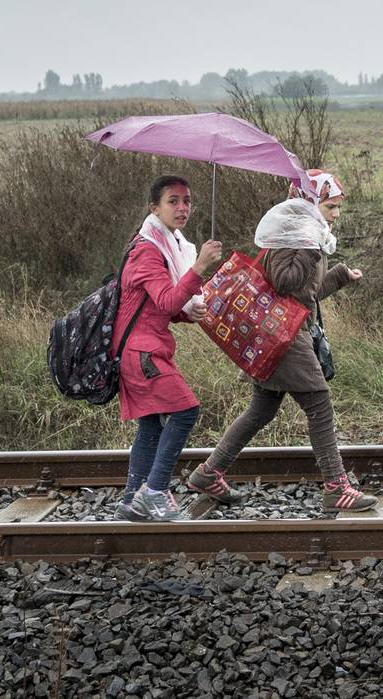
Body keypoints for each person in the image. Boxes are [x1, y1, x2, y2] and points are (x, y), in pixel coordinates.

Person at [186, 169, 377, 514]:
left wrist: (340, 276)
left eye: (337, 208)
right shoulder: (294, 237)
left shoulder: (305, 235)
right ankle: (337, 487)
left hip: (284, 332)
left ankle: (208, 473)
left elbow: (305, 294)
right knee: (319, 406)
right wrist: (313, 251)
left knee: (261, 409)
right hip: (284, 338)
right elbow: (284, 281)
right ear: (309, 202)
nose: (335, 215)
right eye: (330, 207)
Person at [115, 175, 224, 522]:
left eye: (187, 201)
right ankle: (155, 490)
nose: (182, 208)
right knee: (186, 410)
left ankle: (132, 500)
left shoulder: (165, 245)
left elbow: (161, 305)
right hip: (141, 353)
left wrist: (188, 312)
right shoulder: (147, 250)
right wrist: (199, 268)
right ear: (154, 208)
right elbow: (163, 300)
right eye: (173, 201)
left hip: (145, 347)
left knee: (150, 426)